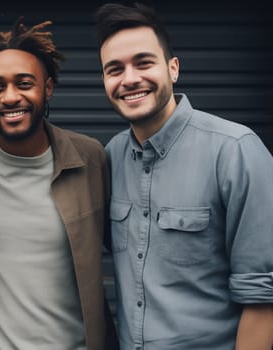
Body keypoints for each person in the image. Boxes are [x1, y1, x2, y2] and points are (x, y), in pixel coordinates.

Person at [95, 3, 273, 349]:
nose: (129, 79)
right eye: (114, 69)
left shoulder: (236, 151)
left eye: (143, 63)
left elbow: (263, 297)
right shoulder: (111, 156)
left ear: (173, 68)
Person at [0, 18, 116, 350]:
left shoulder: (90, 158)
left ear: (48, 88)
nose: (10, 97)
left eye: (24, 83)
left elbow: (131, 251)